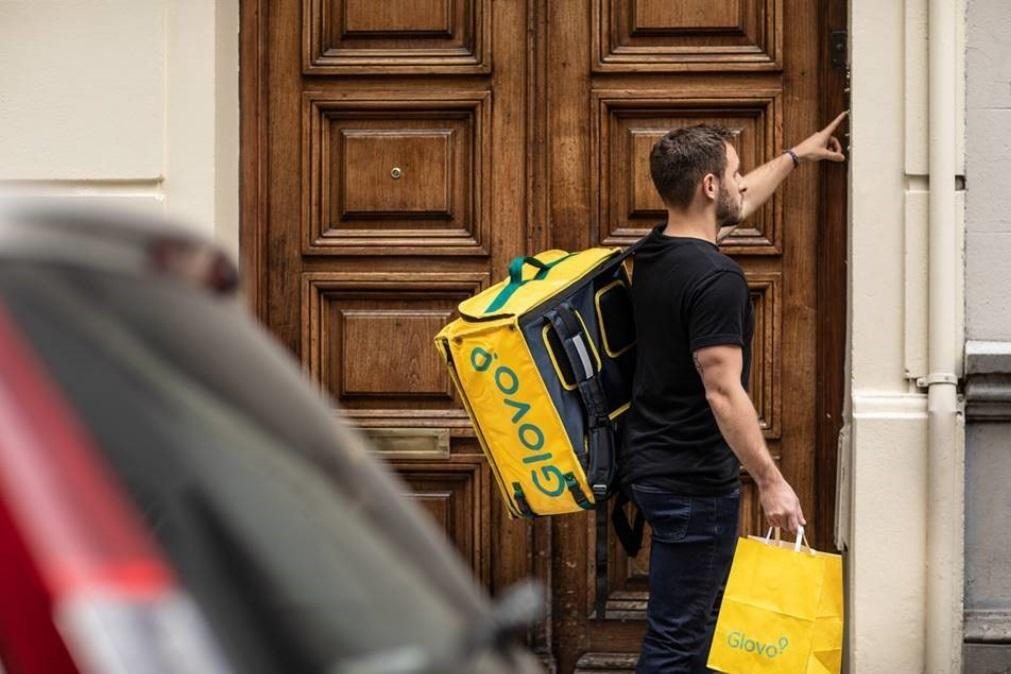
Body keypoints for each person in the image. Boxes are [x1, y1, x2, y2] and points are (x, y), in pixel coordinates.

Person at [622, 113, 848, 674]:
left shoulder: (653, 254)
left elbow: (740, 206)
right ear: (708, 186)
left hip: (654, 464)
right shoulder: (715, 279)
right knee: (679, 640)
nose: (742, 182)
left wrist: (798, 155)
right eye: (735, 172)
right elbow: (722, 392)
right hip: (693, 483)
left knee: (691, 630)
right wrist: (772, 482)